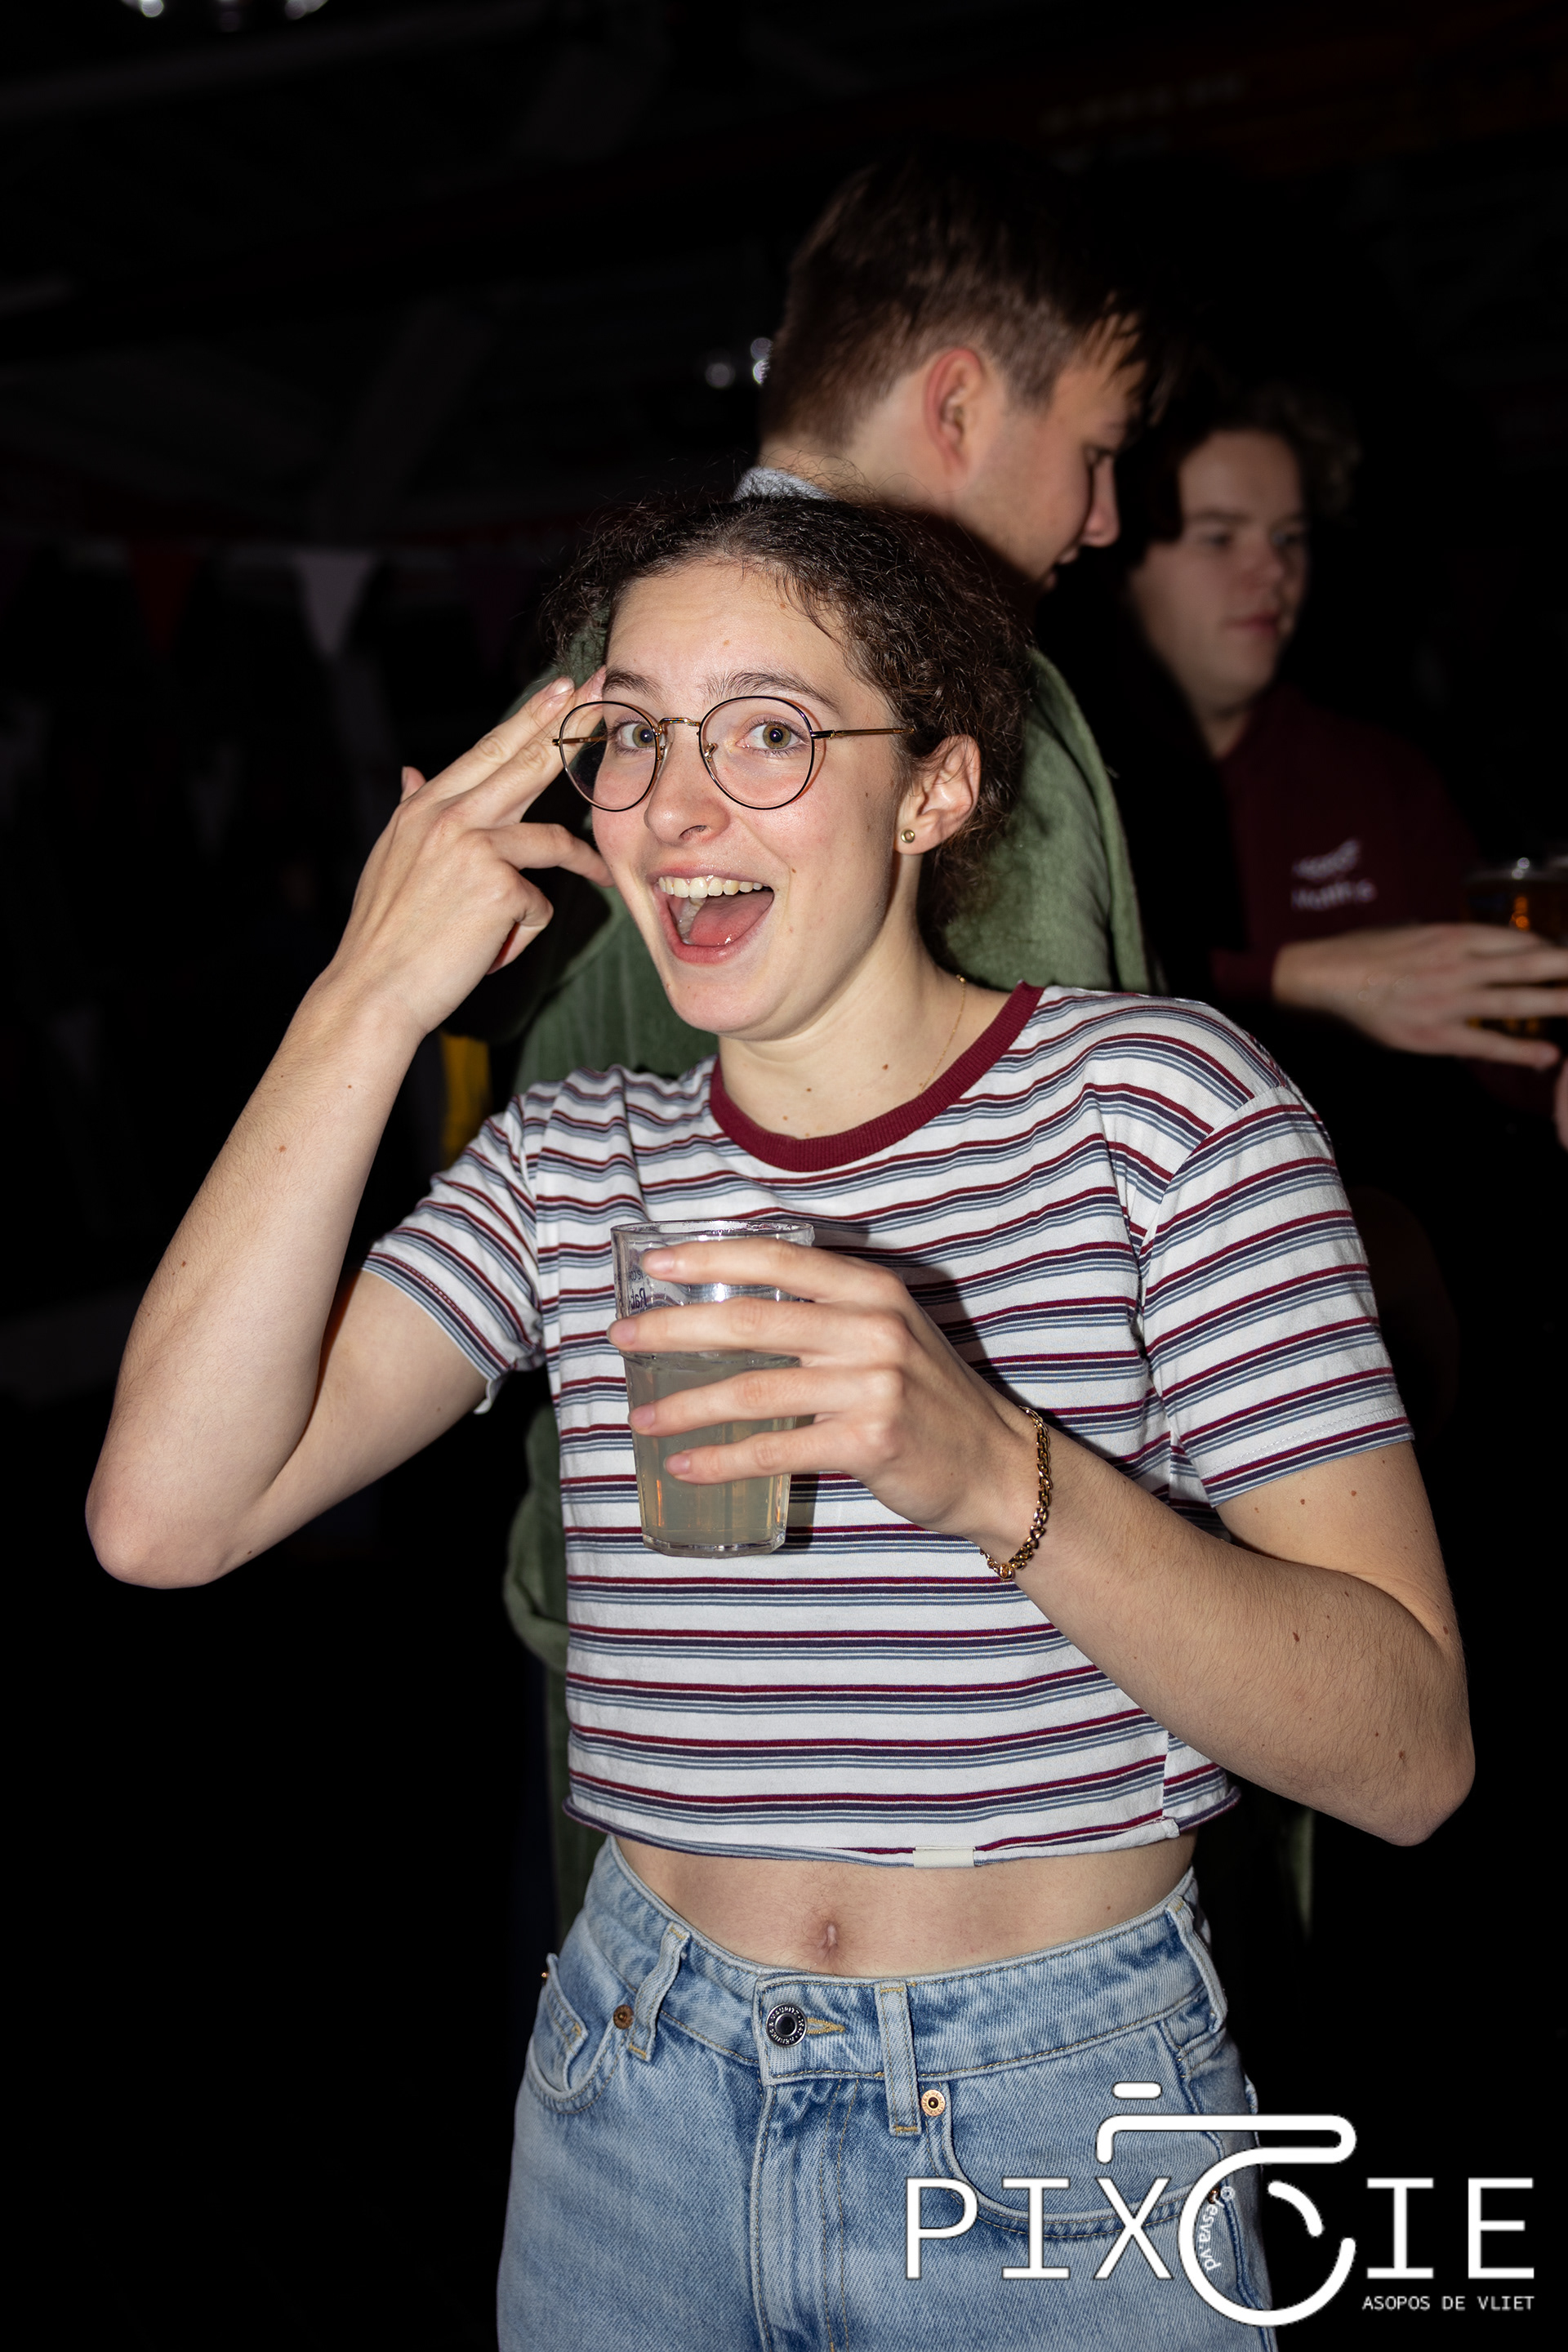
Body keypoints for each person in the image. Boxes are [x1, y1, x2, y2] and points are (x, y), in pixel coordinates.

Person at [90, 494, 1472, 2350]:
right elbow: (165, 1518)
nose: (674, 806)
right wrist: (368, 993)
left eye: (766, 732)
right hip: (634, 2103)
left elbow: (1409, 1753)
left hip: (1062, 2118)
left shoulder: (1160, 1112)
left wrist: (991, 1471)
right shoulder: (574, 1164)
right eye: (632, 738)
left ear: (936, 790)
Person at [453, 145, 1166, 1922]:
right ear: (957, 402)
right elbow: (1067, 1249)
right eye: (1095, 450)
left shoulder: (595, 678)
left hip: (632, 1621)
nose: (1104, 520)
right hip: (938, 1708)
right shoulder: (955, 708)